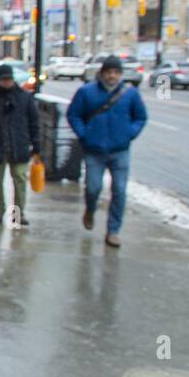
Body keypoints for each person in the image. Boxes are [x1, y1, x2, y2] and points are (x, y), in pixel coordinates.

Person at [67, 54, 148, 247]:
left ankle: (113, 231)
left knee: (119, 190)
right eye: (109, 72)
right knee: (93, 188)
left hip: (120, 150)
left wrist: (130, 133)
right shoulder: (87, 92)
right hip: (94, 150)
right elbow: (74, 114)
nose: (112, 76)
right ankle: (90, 209)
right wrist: (84, 134)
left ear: (120, 74)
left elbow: (141, 117)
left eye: (116, 72)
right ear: (102, 73)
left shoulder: (130, 94)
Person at [0, 62, 41, 225]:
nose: (7, 83)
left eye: (9, 79)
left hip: (18, 146)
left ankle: (18, 213)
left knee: (19, 181)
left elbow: (34, 122)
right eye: (3, 80)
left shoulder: (24, 98)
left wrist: (36, 144)